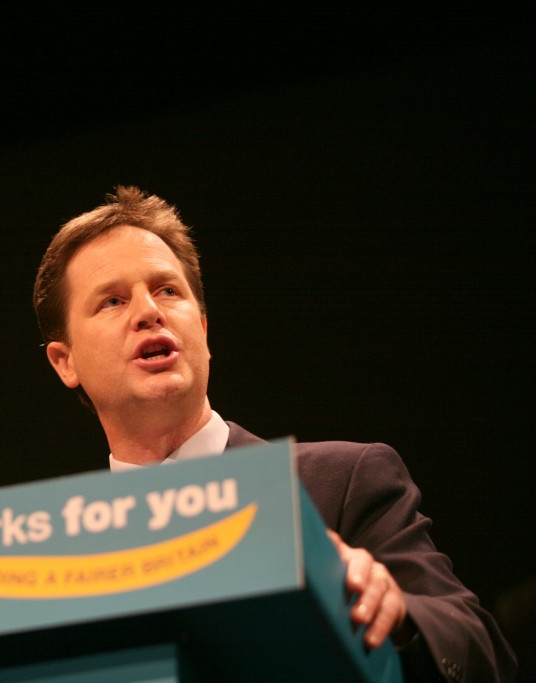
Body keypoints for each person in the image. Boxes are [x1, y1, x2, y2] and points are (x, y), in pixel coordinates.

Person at [32, 186, 517, 682]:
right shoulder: (57, 555)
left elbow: (480, 650)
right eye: (112, 300)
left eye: (168, 290)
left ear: (201, 327)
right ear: (64, 361)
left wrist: (399, 614)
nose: (148, 311)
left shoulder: (340, 482)